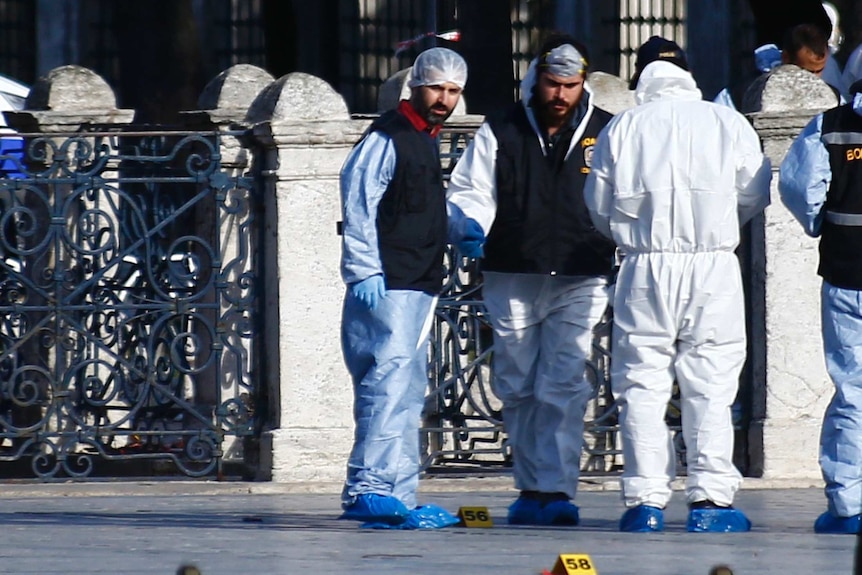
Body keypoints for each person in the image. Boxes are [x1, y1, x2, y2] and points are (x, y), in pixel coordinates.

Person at [583, 36, 772, 533]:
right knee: (711, 382)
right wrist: (714, 229)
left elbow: (598, 204)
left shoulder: (623, 126)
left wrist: (638, 238)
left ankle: (645, 500)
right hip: (712, 266)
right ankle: (711, 499)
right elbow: (753, 191)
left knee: (640, 383)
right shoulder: (726, 122)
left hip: (644, 267)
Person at [446, 34, 617, 526]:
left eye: (570, 85)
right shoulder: (502, 127)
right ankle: (529, 485)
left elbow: (622, 196)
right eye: (551, 84)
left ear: (583, 83)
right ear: (535, 79)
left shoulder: (606, 131)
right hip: (512, 270)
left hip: (582, 271)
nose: (560, 95)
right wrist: (470, 225)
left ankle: (558, 489)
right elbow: (472, 188)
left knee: (563, 383)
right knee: (518, 383)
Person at [337, 46, 467, 529]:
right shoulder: (389, 136)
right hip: (390, 281)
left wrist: (458, 227)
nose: (445, 99)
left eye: (453, 91)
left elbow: (417, 207)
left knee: (407, 390)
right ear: (417, 85)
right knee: (385, 384)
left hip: (418, 281)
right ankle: (367, 487)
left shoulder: (424, 139)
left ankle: (398, 492)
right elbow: (359, 201)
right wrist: (363, 269)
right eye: (437, 88)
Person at [778, 79, 862, 535]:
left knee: (854, 390)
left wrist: (818, 224)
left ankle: (849, 505)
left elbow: (799, 187)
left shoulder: (829, 126)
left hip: (849, 273)